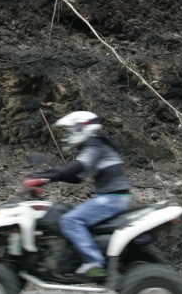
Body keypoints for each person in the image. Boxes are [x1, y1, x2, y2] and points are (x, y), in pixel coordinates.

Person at [39, 111, 132, 278]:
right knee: (67, 213)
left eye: (71, 129)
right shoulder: (97, 145)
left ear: (82, 127)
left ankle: (94, 261)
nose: (69, 134)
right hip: (112, 197)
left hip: (111, 199)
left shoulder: (94, 145)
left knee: (70, 220)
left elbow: (76, 167)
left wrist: (48, 176)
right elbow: (76, 177)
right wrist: (46, 175)